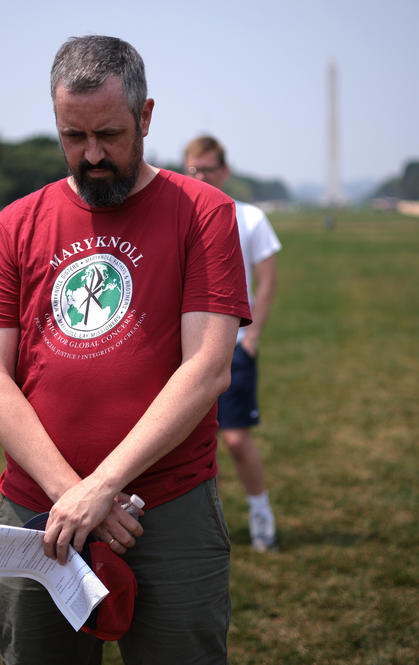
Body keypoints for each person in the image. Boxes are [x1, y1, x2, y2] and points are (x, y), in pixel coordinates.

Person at [0, 35, 251, 665]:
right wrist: (77, 493)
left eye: (111, 135)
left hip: (166, 507)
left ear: (147, 117)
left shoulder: (203, 213)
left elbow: (206, 369)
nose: (92, 155)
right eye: (73, 136)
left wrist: (105, 486)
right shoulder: (16, 223)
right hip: (41, 510)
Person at [184, 136, 282, 552]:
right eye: (193, 169)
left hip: (235, 344)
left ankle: (262, 516)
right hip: (187, 351)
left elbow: (268, 279)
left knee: (236, 440)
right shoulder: (179, 217)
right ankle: (204, 528)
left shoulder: (250, 218)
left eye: (207, 169)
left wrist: (253, 337)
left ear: (223, 171)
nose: (200, 177)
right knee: (190, 448)